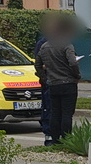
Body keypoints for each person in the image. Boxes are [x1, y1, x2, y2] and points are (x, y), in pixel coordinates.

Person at [35, 17, 81, 147]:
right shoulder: (67, 45)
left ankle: (55, 139)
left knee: (55, 113)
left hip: (53, 83)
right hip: (68, 83)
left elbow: (37, 64)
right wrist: (76, 75)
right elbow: (72, 62)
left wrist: (44, 78)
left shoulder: (44, 46)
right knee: (67, 113)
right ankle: (66, 139)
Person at [33, 13, 61, 143]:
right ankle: (49, 136)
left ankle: (60, 136)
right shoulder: (42, 43)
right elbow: (38, 64)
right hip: (49, 81)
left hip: (62, 80)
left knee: (60, 110)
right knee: (48, 108)